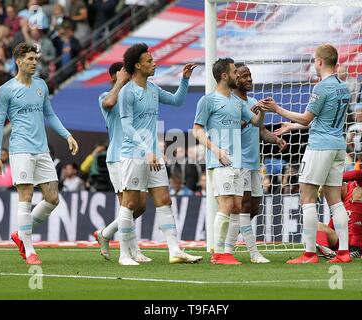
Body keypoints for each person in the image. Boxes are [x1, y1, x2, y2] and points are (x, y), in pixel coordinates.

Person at [262, 44, 352, 263]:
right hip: (338, 145)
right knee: (335, 201)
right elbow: (322, 119)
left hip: (320, 147)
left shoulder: (321, 88)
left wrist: (277, 109)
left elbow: (307, 119)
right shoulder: (343, 87)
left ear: (320, 62)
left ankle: (310, 253)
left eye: (314, 60)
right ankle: (344, 252)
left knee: (307, 196)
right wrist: (290, 127)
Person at [0, 42, 79, 265]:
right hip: (20, 149)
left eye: (35, 59)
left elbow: (50, 115)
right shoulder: (6, 90)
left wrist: (67, 135)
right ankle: (30, 250)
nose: (34, 63)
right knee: (26, 197)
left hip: (42, 150)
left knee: (52, 198)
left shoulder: (41, 85)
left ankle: (20, 233)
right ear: (19, 61)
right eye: (30, 59)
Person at [117, 43, 202, 265]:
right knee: (130, 203)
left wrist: (184, 79)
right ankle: (124, 255)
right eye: (150, 61)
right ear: (137, 65)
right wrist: (146, 150)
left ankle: (175, 251)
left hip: (153, 155)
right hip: (134, 154)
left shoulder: (153, 89)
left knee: (164, 200)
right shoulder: (127, 92)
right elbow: (126, 126)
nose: (155, 64)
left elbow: (177, 101)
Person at [192, 58, 266, 265]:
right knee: (226, 205)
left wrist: (262, 112)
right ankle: (218, 253)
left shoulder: (236, 102)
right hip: (220, 161)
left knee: (235, 206)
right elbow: (197, 129)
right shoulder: (208, 101)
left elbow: (255, 122)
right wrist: (215, 150)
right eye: (234, 72)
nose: (237, 75)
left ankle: (225, 252)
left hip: (238, 162)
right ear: (224, 76)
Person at [93, 61, 150, 263]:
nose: (128, 74)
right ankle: (130, 252)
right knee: (128, 204)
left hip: (137, 155)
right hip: (118, 156)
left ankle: (106, 233)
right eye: (123, 71)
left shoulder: (134, 95)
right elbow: (108, 104)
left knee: (141, 206)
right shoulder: (106, 96)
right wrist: (120, 82)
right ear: (113, 76)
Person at [233, 62, 287, 263]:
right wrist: (250, 116)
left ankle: (224, 243)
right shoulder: (230, 102)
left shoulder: (253, 100)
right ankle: (253, 253)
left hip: (255, 163)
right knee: (244, 207)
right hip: (239, 163)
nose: (249, 79)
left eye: (250, 75)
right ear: (234, 78)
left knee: (254, 208)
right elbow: (230, 129)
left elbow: (261, 130)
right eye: (244, 76)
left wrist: (276, 139)